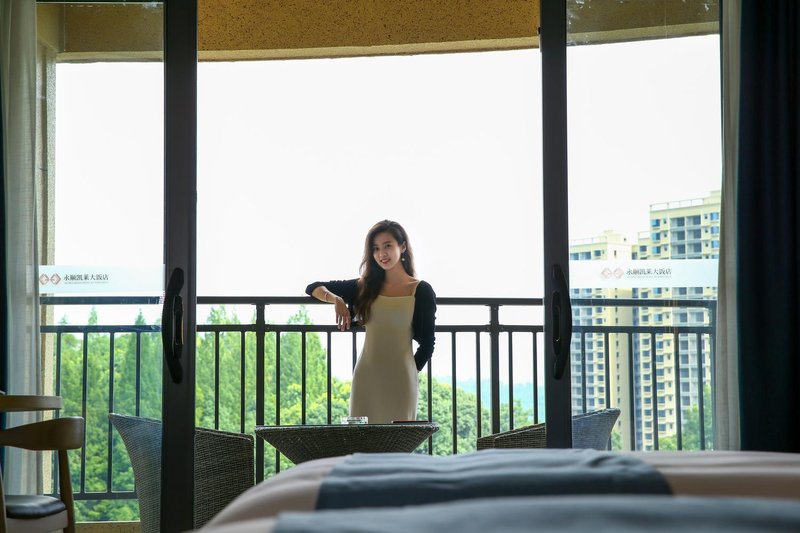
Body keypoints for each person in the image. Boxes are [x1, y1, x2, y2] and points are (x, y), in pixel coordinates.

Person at [305, 220, 436, 423]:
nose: (381, 254)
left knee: (399, 439)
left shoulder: (421, 290)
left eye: (387, 246)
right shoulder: (364, 287)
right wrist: (336, 299)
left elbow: (427, 344)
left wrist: (410, 370)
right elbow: (313, 287)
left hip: (401, 379)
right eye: (375, 248)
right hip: (366, 377)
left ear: (402, 247)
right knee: (361, 438)